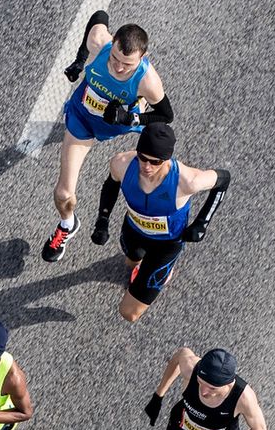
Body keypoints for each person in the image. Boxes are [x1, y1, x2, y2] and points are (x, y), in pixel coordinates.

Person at [42, 14, 172, 262]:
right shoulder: (100, 42)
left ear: (141, 59)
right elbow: (99, 16)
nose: (119, 67)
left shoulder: (148, 81)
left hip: (119, 126)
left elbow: (166, 114)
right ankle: (68, 224)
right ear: (111, 44)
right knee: (63, 193)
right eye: (115, 58)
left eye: (127, 64)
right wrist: (80, 61)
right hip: (83, 123)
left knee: (162, 145)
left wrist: (129, 119)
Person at [86, 122, 231, 322]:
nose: (146, 166)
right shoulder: (122, 163)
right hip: (134, 229)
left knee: (129, 313)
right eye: (142, 158)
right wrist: (102, 220)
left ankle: (160, 271)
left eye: (155, 162)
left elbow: (224, 180)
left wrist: (202, 223)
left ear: (166, 158)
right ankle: (139, 266)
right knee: (131, 260)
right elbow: (111, 185)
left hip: (166, 245)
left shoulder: (187, 181)